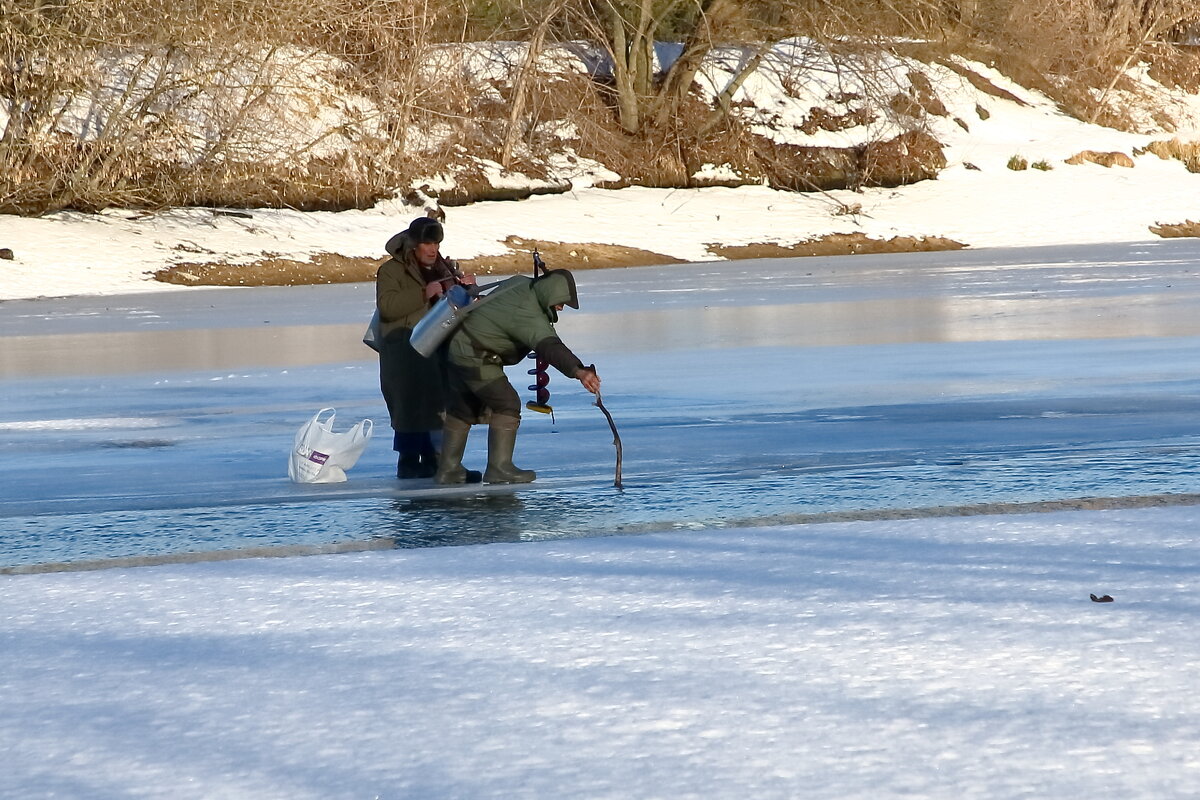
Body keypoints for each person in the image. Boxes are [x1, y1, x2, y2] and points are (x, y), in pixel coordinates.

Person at [435, 267, 601, 485]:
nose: (561, 307)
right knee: (507, 403)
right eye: (561, 301)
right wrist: (578, 371)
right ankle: (499, 468)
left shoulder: (521, 284)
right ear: (550, 293)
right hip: (476, 355)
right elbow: (550, 346)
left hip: (457, 347)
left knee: (463, 408)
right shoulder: (528, 311)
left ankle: (448, 470)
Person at [375, 216, 480, 480]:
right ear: (413, 244)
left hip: (439, 347)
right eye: (426, 243)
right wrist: (424, 293)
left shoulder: (445, 269)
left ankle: (441, 462)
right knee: (410, 405)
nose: (432, 249)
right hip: (404, 350)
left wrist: (466, 290)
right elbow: (388, 308)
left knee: (439, 404)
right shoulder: (390, 271)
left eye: (436, 243)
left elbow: (457, 307)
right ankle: (411, 462)